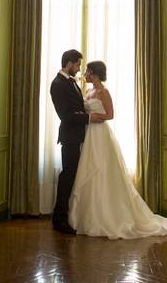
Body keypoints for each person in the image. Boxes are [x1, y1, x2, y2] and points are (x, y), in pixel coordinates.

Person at [69, 60, 167, 239]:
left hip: (100, 134)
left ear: (95, 74)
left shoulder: (104, 92)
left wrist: (94, 116)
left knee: (103, 170)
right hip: (88, 135)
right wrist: (87, 117)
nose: (85, 74)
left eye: (88, 71)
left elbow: (110, 115)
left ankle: (110, 217)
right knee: (89, 169)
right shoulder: (88, 91)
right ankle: (89, 216)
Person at [50, 49, 106, 234]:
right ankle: (59, 220)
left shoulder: (71, 82)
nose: (79, 69)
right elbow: (66, 115)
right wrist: (90, 119)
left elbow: (79, 107)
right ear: (68, 63)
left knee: (72, 176)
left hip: (81, 136)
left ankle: (66, 216)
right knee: (67, 176)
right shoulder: (57, 84)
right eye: (77, 65)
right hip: (70, 137)